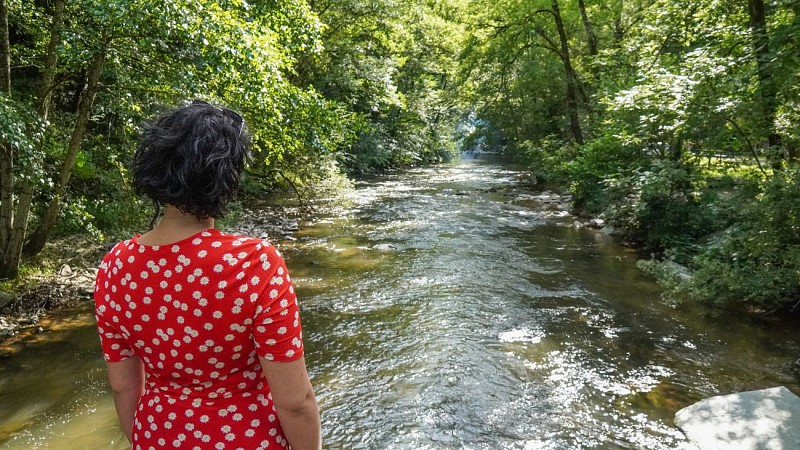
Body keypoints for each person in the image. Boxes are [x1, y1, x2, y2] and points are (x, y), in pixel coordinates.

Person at [94, 101, 321, 450]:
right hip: (247, 439)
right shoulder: (254, 262)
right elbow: (295, 401)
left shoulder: (115, 266)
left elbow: (124, 388)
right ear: (225, 177)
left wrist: (146, 441)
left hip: (158, 436)